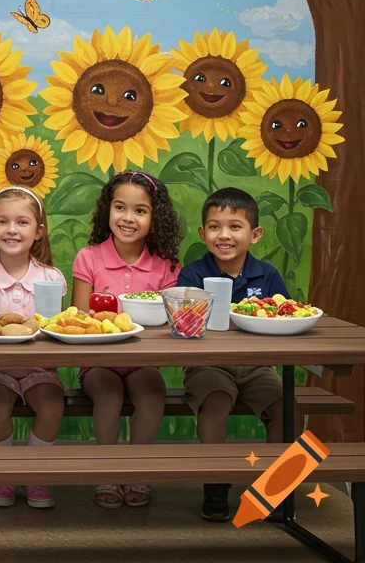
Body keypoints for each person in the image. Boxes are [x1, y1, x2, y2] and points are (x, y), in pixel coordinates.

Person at [178, 186, 293, 522]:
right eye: (214, 226)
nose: (223, 235)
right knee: (216, 401)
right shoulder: (192, 274)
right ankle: (214, 486)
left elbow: (283, 313)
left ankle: (275, 491)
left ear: (254, 234)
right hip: (208, 365)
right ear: (203, 233)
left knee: (288, 407)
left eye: (235, 226)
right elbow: (184, 324)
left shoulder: (267, 275)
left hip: (257, 367)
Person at [71, 170, 182, 510]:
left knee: (152, 394)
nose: (128, 218)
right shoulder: (89, 257)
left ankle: (137, 469)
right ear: (108, 210)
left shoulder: (165, 265)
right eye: (120, 207)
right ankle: (107, 469)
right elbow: (78, 316)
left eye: (140, 210)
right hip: (98, 361)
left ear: (155, 218)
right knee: (108, 395)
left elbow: (169, 320)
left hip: (144, 359)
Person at [0, 186, 66, 510]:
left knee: (51, 406)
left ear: (38, 232)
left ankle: (34, 473)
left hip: (40, 369)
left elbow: (54, 330)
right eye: (2, 222)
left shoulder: (52, 278)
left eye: (22, 222)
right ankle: (4, 473)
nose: (11, 229)